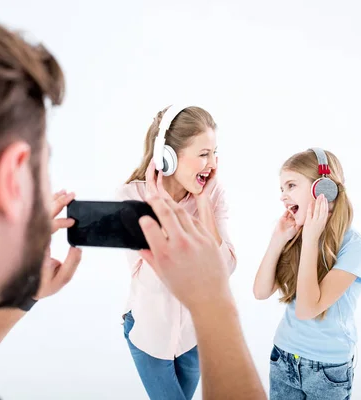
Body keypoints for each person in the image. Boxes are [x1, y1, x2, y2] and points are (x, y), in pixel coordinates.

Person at [0, 1, 265, 399]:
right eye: (46, 164)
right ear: (12, 181)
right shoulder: (136, 194)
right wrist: (215, 307)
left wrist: (24, 295)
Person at [116, 105, 237, 399]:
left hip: (194, 338)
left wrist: (204, 204)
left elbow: (224, 269)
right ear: (167, 157)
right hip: (149, 335)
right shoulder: (132, 197)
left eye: (214, 153)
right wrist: (159, 205)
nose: (212, 164)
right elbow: (151, 277)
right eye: (203, 154)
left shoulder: (213, 193)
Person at [253, 148, 361, 399]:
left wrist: (310, 240)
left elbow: (307, 308)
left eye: (291, 185)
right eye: (282, 189)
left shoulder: (356, 248)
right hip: (283, 357)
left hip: (327, 371)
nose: (283, 196)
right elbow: (261, 292)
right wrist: (278, 239)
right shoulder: (297, 234)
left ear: (322, 189)